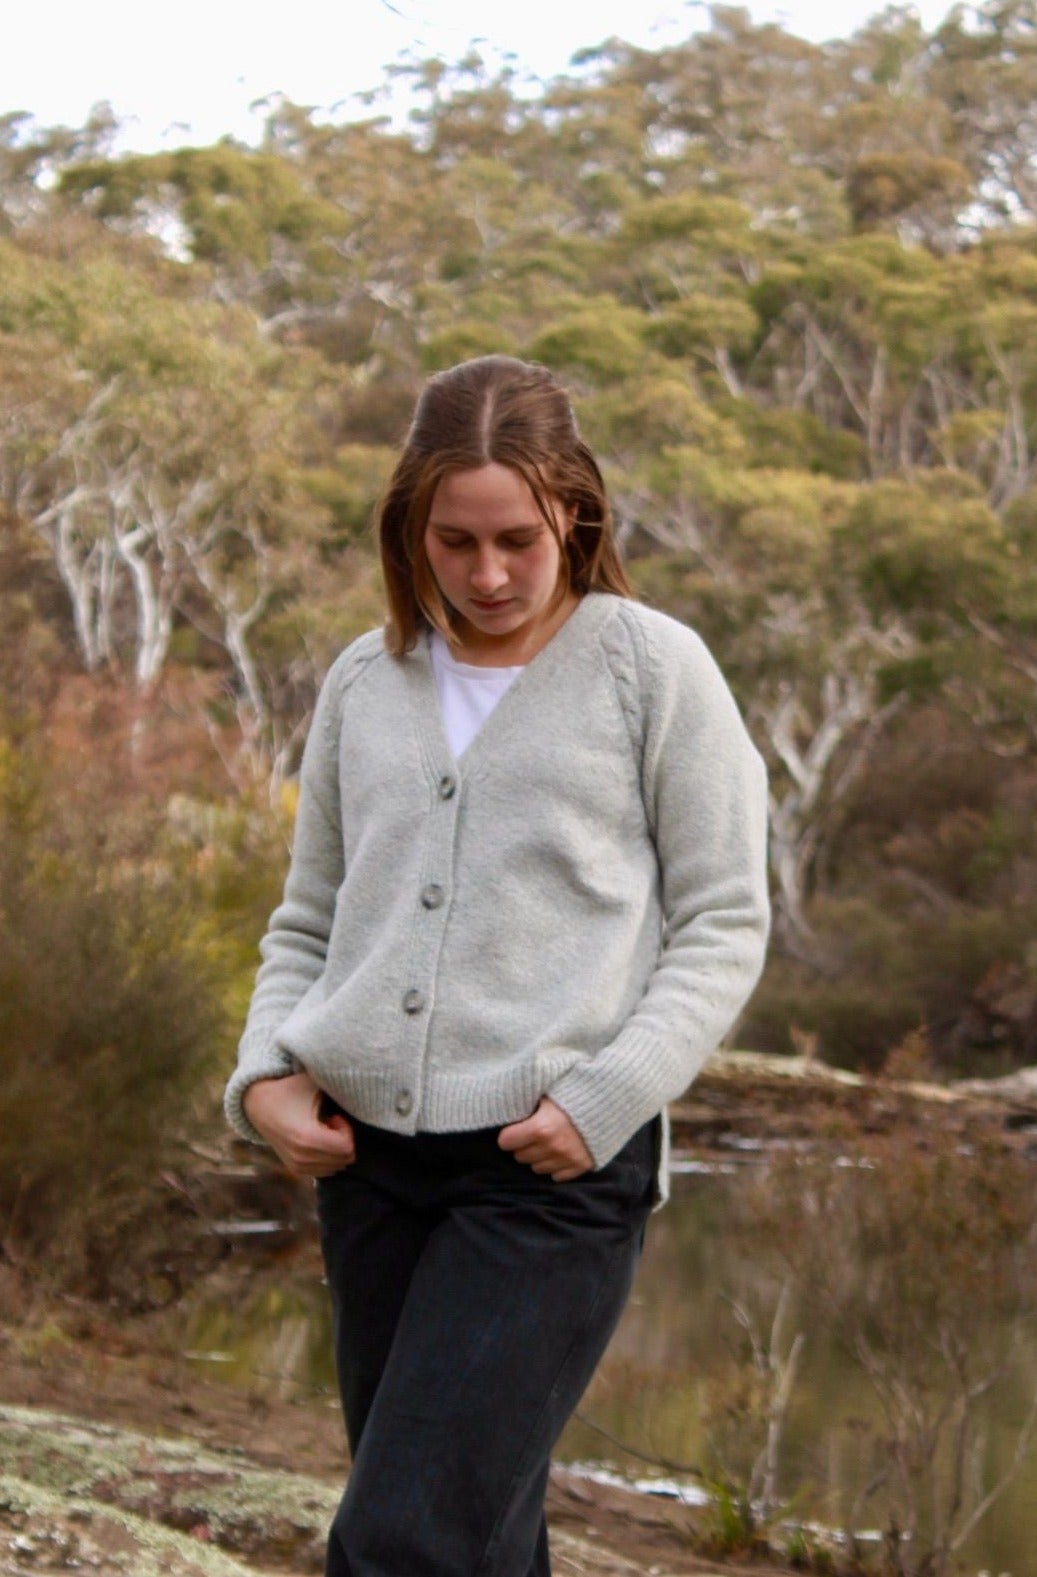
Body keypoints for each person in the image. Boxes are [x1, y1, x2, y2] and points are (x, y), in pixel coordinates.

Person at [224, 354, 771, 1577]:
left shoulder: (654, 670)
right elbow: (308, 919)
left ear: (573, 510)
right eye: (454, 542)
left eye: (517, 539)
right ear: (409, 527)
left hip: (552, 1169)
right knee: (474, 1545)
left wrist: (606, 1100)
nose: (487, 575)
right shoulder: (365, 682)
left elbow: (725, 921)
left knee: (400, 1542)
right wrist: (265, 1073)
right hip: (369, 1169)